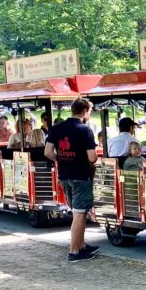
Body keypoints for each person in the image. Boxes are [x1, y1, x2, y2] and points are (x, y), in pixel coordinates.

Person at [45, 97, 99, 262]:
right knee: (79, 214)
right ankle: (74, 251)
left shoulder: (56, 128)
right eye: (89, 112)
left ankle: (81, 245)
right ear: (84, 112)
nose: (89, 115)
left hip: (64, 175)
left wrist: (62, 160)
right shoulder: (85, 130)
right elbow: (92, 157)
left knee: (78, 211)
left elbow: (47, 152)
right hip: (81, 176)